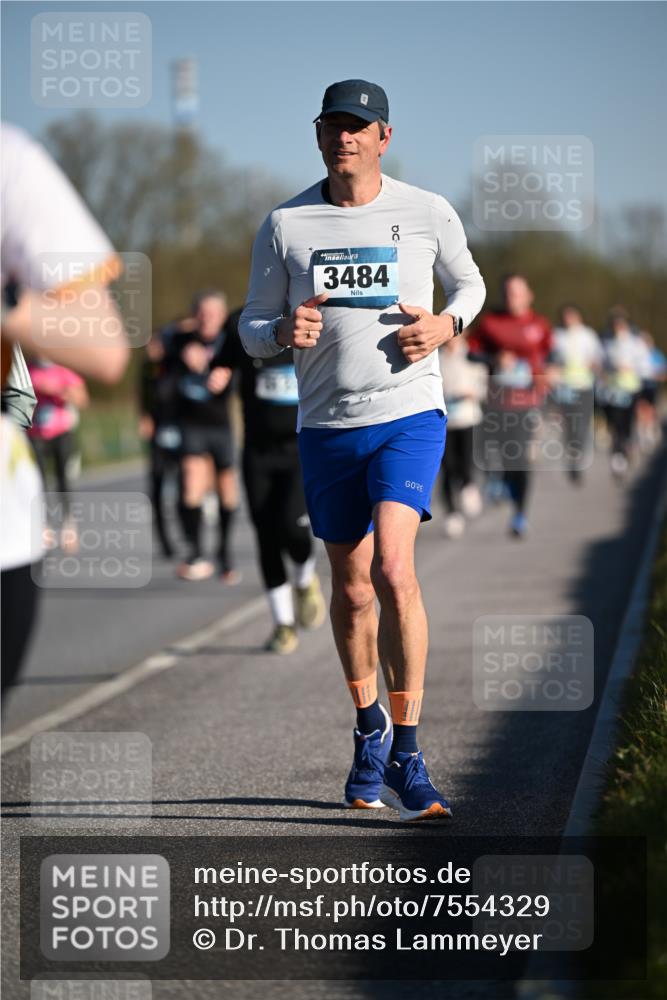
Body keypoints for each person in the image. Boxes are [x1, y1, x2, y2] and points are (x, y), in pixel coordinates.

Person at [239, 80, 485, 820]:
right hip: (324, 426)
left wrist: (447, 326)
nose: (343, 137)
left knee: (392, 569)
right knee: (349, 590)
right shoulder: (285, 223)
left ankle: (408, 750)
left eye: (358, 125)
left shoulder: (427, 210)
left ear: (384, 136)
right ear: (318, 136)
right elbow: (250, 327)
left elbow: (468, 285)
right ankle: (368, 728)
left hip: (409, 414)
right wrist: (281, 334)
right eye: (331, 125)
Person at [1, 122, 128, 697]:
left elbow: (103, 349)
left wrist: (11, 306)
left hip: (9, 511)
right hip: (36, 427)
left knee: (61, 478)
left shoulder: (11, 161)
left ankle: (64, 523)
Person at [210, 307, 326, 653]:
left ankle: (304, 580)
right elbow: (222, 362)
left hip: (301, 445)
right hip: (257, 450)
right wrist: (217, 375)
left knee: (293, 529)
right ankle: (283, 625)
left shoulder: (312, 316)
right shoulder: (240, 321)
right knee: (266, 535)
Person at [163, 291, 240, 582]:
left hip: (221, 423)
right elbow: (161, 340)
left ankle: (225, 553)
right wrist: (183, 350)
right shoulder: (181, 340)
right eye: (201, 313)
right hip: (191, 424)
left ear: (222, 316)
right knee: (191, 482)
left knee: (226, 488)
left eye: (213, 314)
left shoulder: (229, 341)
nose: (206, 319)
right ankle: (195, 552)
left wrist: (227, 376)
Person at [469, 274, 552, 537]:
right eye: (507, 292)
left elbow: (552, 355)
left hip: (527, 402)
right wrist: (494, 358)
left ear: (529, 295)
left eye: (517, 292)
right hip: (495, 401)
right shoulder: (491, 323)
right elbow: (471, 352)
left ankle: (520, 514)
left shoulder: (540, 325)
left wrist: (547, 372)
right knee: (499, 454)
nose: (511, 297)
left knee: (521, 459)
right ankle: (500, 483)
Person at [27, 357, 89, 552]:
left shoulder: (64, 370)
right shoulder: (26, 369)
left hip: (61, 431)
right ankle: (44, 526)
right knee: (37, 480)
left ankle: (69, 526)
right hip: (34, 433)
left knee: (64, 479)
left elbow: (82, 400)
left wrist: (58, 390)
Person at [138, 331, 182, 558]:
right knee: (156, 482)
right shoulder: (147, 368)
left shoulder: (175, 363)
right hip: (158, 431)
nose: (151, 350)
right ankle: (165, 542)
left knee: (184, 485)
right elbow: (142, 395)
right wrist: (144, 416)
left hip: (179, 429)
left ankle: (189, 531)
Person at [439, 332, 487, 537]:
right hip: (445, 421)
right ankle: (452, 513)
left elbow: (483, 387)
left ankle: (469, 485)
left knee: (466, 461)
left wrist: (471, 392)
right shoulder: (436, 357)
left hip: (468, 418)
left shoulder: (472, 357)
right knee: (448, 467)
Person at [550, 304, 603, 484]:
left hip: (584, 385)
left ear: (578, 317)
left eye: (571, 316)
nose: (568, 320)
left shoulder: (588, 335)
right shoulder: (556, 335)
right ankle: (573, 455)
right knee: (568, 423)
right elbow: (550, 359)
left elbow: (598, 359)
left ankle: (578, 456)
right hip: (564, 386)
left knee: (581, 423)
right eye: (565, 317)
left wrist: (593, 366)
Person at [597, 307, 650, 478]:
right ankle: (618, 456)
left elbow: (645, 366)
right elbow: (600, 363)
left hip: (630, 388)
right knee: (614, 422)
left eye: (620, 324)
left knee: (627, 422)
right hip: (613, 389)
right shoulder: (606, 342)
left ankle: (628, 446)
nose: (617, 327)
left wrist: (630, 368)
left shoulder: (636, 342)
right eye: (614, 324)